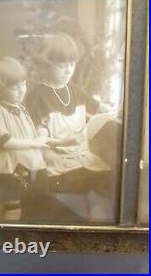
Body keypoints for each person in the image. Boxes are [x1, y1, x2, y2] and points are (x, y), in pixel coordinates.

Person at [26, 33, 115, 221]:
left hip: (81, 156)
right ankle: (80, 218)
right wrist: (66, 141)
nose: (68, 71)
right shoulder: (38, 97)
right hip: (55, 163)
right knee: (77, 183)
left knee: (107, 177)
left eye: (72, 64)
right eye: (62, 65)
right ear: (47, 64)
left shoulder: (73, 89)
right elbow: (38, 140)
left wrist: (114, 111)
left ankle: (95, 213)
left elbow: (98, 106)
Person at [0, 56, 49, 221]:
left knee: (30, 203)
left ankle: (25, 232)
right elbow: (4, 141)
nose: (22, 90)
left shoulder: (21, 108)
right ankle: (9, 235)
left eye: (23, 84)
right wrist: (35, 142)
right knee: (13, 205)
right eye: (15, 87)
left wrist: (41, 133)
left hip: (26, 164)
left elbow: (30, 130)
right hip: (10, 167)